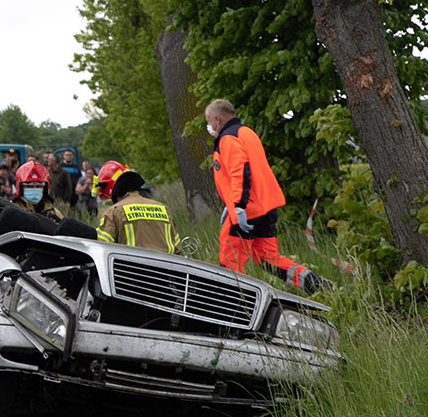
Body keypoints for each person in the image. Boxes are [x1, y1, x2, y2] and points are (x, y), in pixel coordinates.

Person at [204, 98, 325, 293]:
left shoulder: (228, 138)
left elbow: (240, 172)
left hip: (246, 210)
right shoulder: (246, 133)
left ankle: (237, 304)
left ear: (217, 118)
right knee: (268, 259)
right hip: (264, 207)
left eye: (208, 121)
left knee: (229, 262)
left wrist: (237, 205)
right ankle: (318, 286)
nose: (208, 126)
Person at [93, 163, 178, 254]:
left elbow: (101, 247)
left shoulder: (114, 212)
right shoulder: (163, 208)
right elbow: (177, 247)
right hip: (166, 267)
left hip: (132, 267)